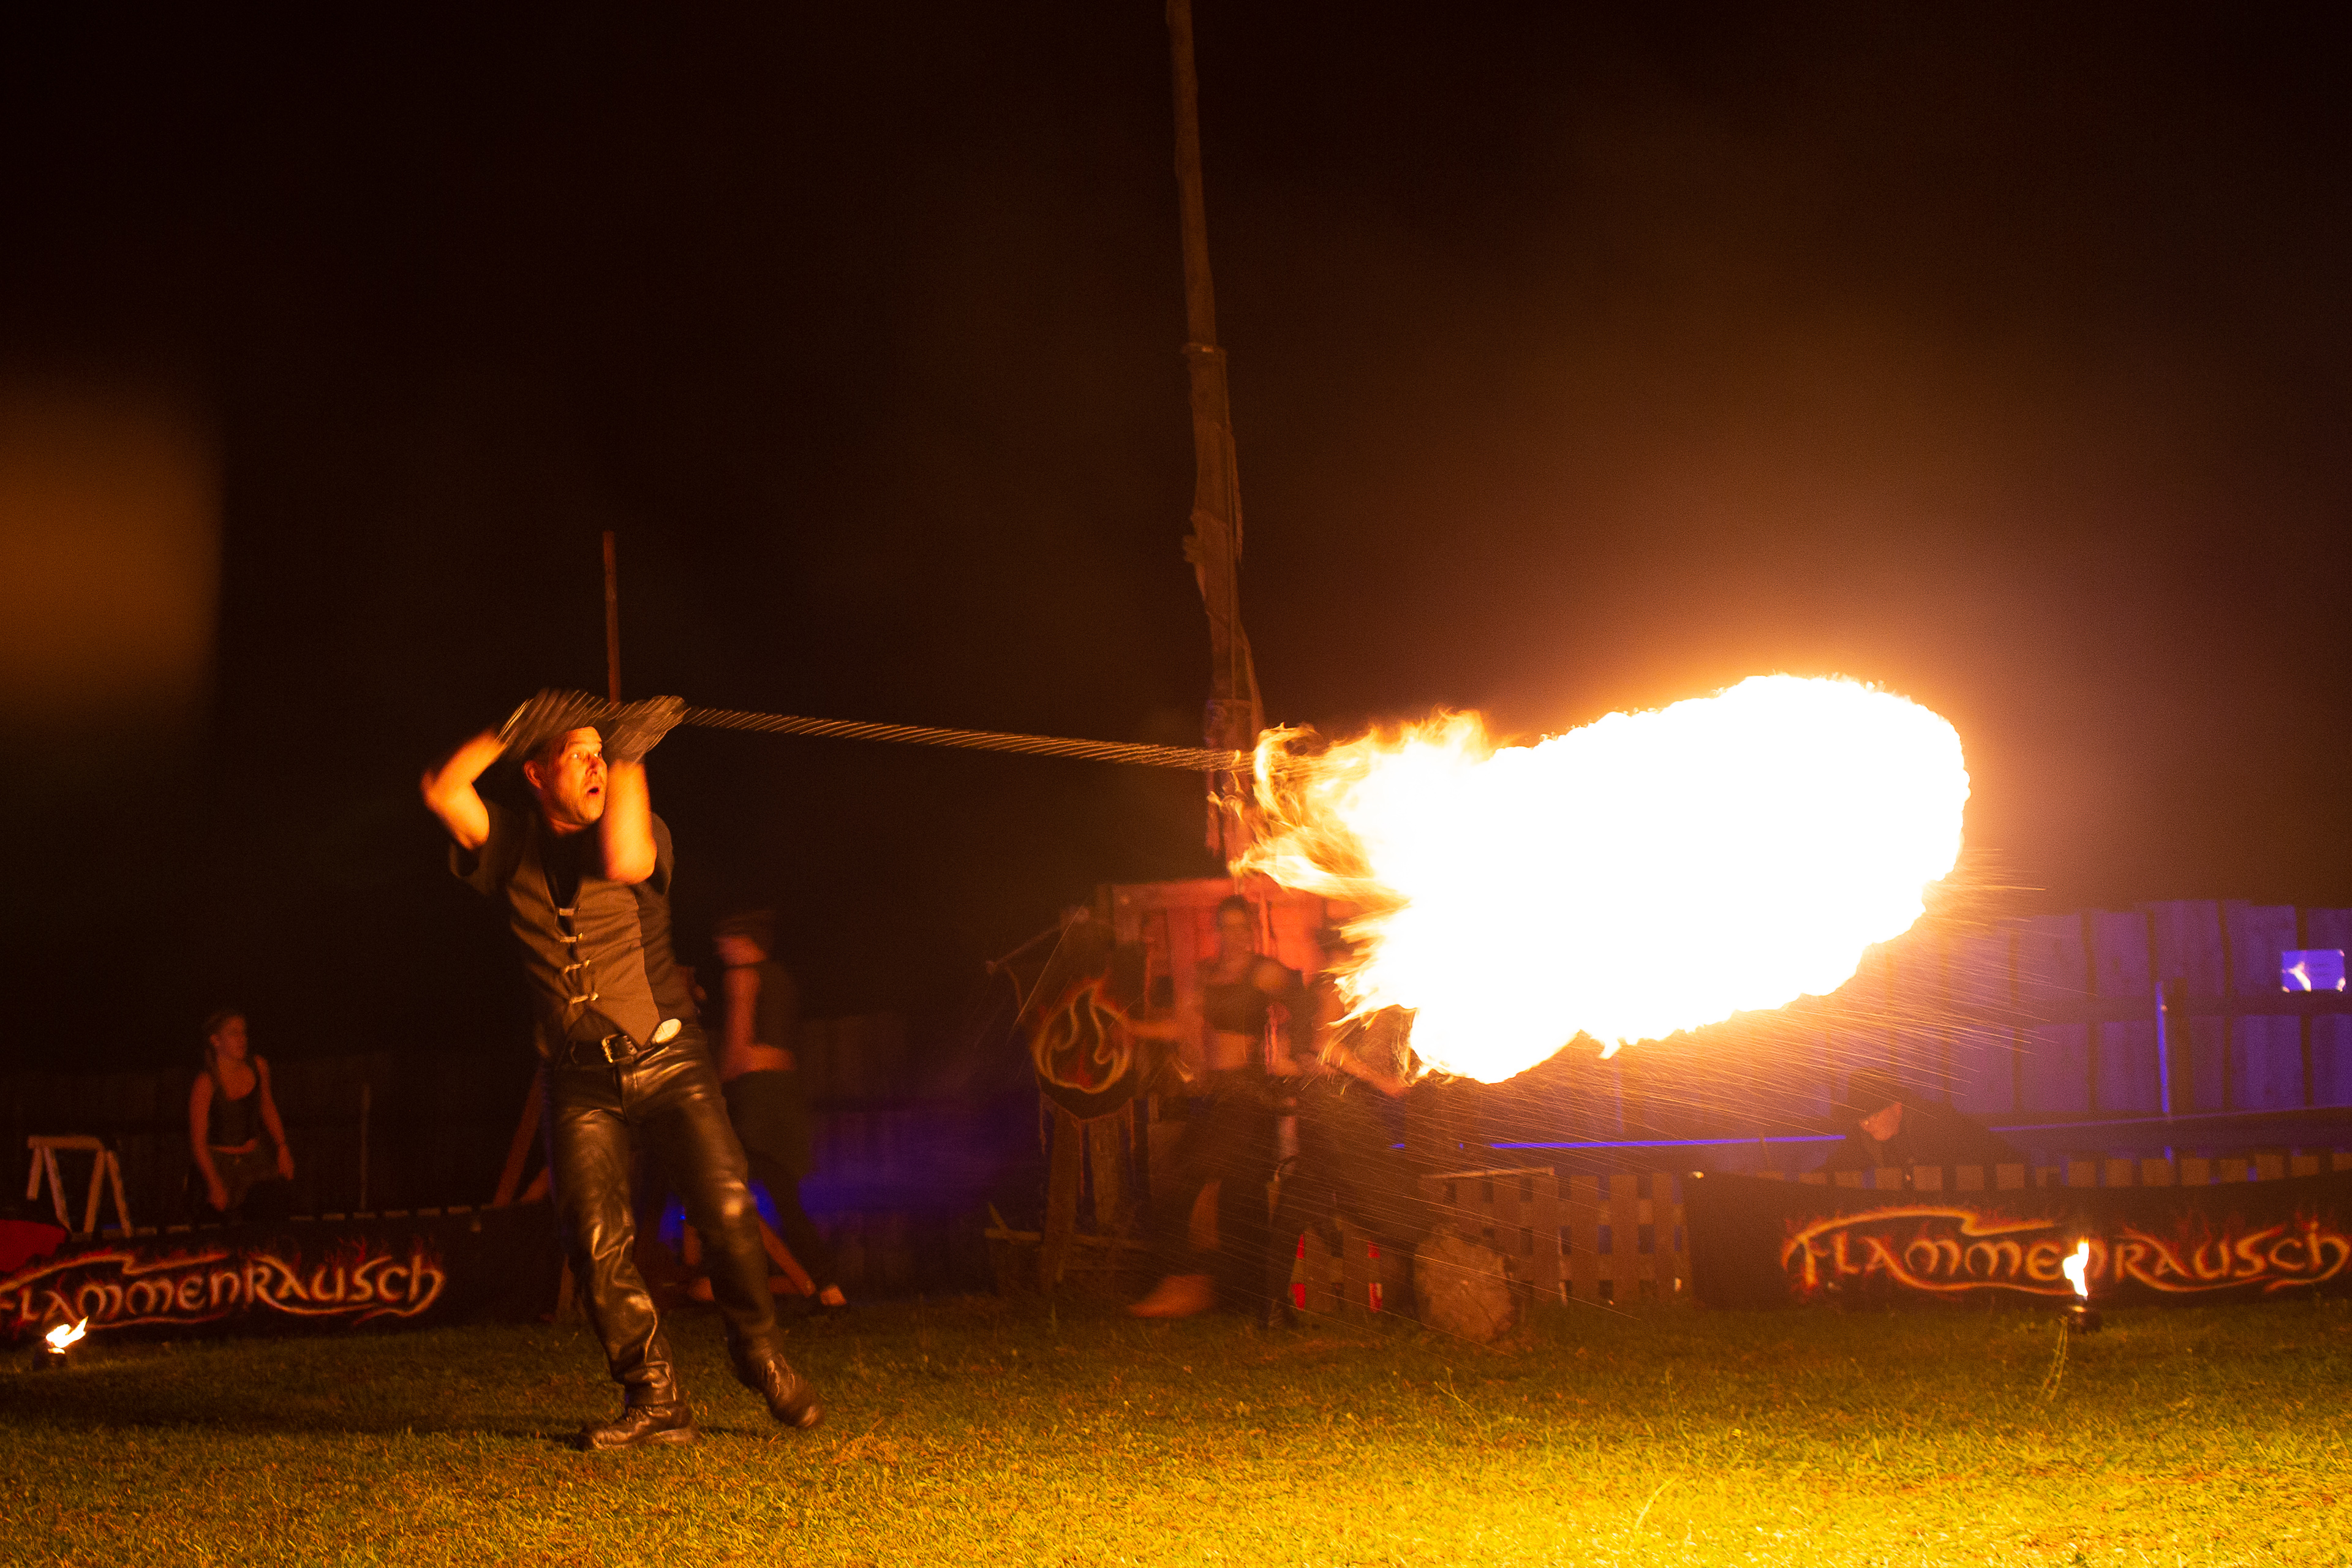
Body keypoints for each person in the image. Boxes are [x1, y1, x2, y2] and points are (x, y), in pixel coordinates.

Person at [421, 690, 820, 1449]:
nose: (596, 766)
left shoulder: (636, 826)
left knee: (728, 1210)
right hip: (577, 1078)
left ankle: (758, 1352)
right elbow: (443, 788)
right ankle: (654, 1396)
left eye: (601, 755)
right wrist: (515, 725)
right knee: (594, 1239)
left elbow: (624, 860)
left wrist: (630, 752)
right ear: (536, 774)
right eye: (579, 755)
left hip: (669, 1059)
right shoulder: (507, 843)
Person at [1124, 894, 1309, 1319]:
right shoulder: (1206, 974)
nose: (1235, 936)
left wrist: (1293, 1052)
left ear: (1252, 931)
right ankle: (1244, 1297)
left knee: (1194, 1173)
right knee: (1237, 1193)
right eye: (1227, 927)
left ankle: (1187, 1284)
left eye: (1243, 927)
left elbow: (1303, 1002)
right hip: (1218, 1095)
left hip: (1250, 1094)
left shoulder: (1263, 971)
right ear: (1218, 930)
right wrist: (1134, 1028)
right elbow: (1183, 1025)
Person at [1262, 927, 1432, 1324]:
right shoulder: (1336, 987)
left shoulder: (1323, 993)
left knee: (1297, 1207)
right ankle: (1410, 1302)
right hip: (1341, 1117)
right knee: (1389, 1203)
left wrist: (1315, 1070)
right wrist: (1379, 1080)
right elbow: (1325, 1046)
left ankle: (1268, 1306)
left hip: (1324, 1114)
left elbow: (1288, 1062)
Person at [686, 909, 845, 1311]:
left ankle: (713, 1279)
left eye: (724, 943)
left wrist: (715, 1090)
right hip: (784, 1094)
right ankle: (828, 1287)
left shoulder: (742, 975)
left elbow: (739, 1044)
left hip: (756, 1098)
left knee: (712, 1179)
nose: (720, 951)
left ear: (743, 942)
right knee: (783, 1193)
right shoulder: (783, 978)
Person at [1820, 1066, 2027, 1180]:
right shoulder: (1865, 1136)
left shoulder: (1934, 1123)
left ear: (1897, 1106)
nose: (1865, 1124)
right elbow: (1836, 1168)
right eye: (1861, 1118)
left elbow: (1942, 1179)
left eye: (1873, 1115)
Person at [187, 1009, 295, 1224]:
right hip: (220, 1164)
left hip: (255, 1159)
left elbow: (267, 1107)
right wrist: (214, 1183)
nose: (242, 1039)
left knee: (273, 1213)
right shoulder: (206, 1083)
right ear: (216, 1041)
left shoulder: (259, 1066)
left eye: (243, 1033)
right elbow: (198, 1142)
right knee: (223, 1226)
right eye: (233, 1033)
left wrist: (282, 1147)